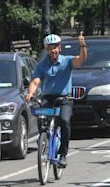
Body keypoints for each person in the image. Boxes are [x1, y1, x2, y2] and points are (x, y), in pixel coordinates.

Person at [26, 33, 87, 167]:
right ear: (46, 50)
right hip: (48, 98)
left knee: (65, 121)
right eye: (49, 48)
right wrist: (30, 93)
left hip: (64, 98)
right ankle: (44, 140)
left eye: (55, 47)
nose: (52, 50)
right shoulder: (41, 65)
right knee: (41, 120)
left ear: (60, 48)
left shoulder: (67, 61)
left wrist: (82, 46)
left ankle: (63, 154)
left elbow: (80, 60)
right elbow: (35, 82)